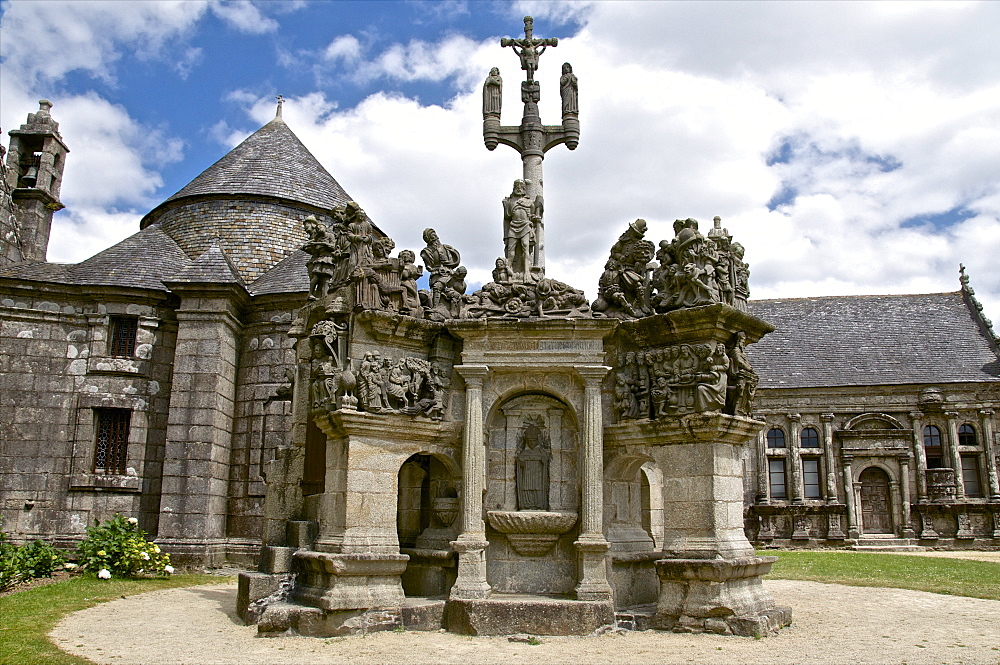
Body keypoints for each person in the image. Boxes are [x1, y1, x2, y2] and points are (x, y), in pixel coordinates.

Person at [502, 179, 537, 276]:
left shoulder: (529, 201)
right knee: (511, 248)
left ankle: (526, 271)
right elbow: (507, 216)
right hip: (513, 226)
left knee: (525, 247)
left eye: (521, 187)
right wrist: (505, 206)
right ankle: (509, 268)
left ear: (524, 189)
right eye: (517, 187)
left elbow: (533, 215)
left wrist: (536, 218)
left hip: (525, 226)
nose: (519, 189)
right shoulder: (510, 201)